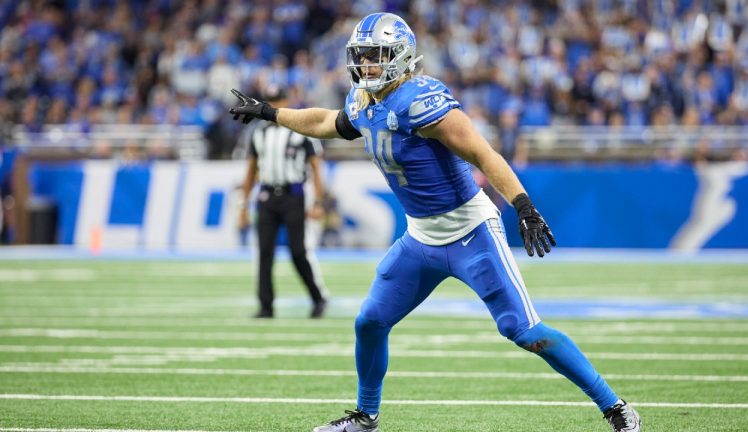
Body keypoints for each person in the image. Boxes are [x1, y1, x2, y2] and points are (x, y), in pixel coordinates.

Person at [229, 13, 641, 432]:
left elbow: (484, 154)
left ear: (401, 57)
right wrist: (269, 112)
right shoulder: (362, 101)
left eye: (376, 56)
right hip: (420, 238)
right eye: (362, 56)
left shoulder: (421, 100)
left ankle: (615, 407)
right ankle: (365, 416)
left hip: (471, 233)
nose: (366, 65)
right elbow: (323, 123)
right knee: (369, 322)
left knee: (524, 330)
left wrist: (523, 206)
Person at [237, 85, 329, 319]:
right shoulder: (258, 133)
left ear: (286, 99)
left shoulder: (300, 130)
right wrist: (243, 205)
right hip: (266, 196)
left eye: (278, 99)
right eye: (270, 100)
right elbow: (250, 170)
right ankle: (265, 306)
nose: (274, 104)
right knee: (264, 252)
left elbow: (316, 167)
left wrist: (318, 202)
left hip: (293, 195)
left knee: (298, 251)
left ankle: (318, 298)